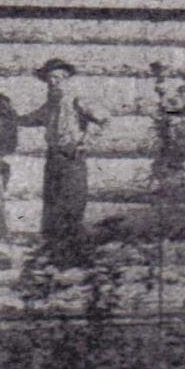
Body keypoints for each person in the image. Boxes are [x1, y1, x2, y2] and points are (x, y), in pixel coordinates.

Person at [16, 59, 109, 249]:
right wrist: (8, 116)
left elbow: (104, 118)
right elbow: (30, 119)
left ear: (66, 79)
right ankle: (51, 247)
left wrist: (86, 143)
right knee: (52, 201)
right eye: (49, 78)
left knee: (72, 200)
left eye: (57, 78)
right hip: (54, 156)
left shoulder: (77, 100)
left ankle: (72, 248)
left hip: (72, 156)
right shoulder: (50, 104)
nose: (53, 82)